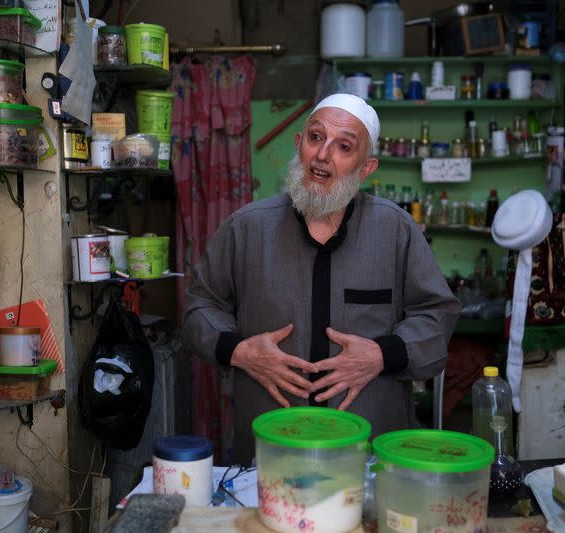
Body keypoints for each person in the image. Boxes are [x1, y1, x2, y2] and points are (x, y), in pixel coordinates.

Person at [182, 93, 460, 463]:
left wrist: (381, 354)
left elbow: (437, 317)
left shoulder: (395, 230)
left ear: (366, 168)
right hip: (272, 444)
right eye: (316, 138)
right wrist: (239, 351)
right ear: (300, 145)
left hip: (369, 449)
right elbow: (199, 307)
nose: (324, 154)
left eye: (344, 146)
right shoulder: (247, 227)